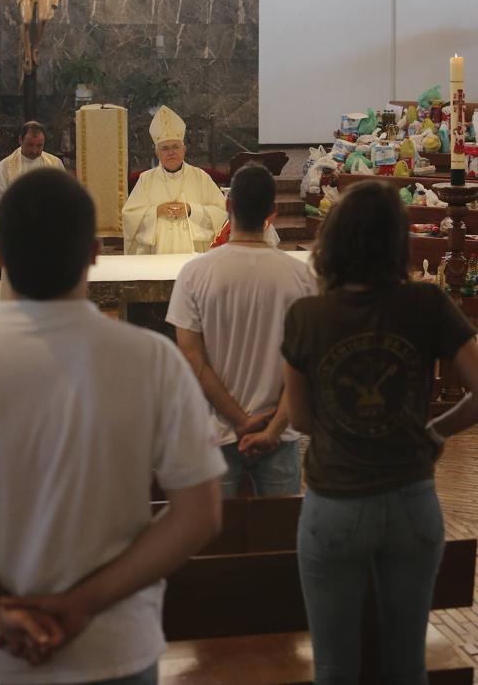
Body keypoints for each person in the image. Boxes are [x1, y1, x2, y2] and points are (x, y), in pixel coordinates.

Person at [0, 169, 225, 684]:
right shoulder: (151, 359)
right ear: (92, 253)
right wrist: (84, 604)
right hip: (112, 645)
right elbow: (199, 514)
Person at [281, 178, 478, 684]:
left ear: (334, 241)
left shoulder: (307, 315)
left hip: (335, 501)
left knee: (335, 666)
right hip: (410, 499)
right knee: (405, 665)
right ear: (399, 242)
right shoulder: (426, 305)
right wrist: (435, 432)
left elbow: (300, 420)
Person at [167, 163, 315, 497]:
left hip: (216, 431)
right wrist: (271, 428)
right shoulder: (301, 276)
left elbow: (192, 358)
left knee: (219, 540)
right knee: (277, 539)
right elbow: (306, 364)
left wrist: (239, 419)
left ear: (228, 206)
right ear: (273, 213)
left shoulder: (194, 273)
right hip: (279, 431)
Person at [122, 106, 226, 254]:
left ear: (184, 150)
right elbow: (130, 216)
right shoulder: (146, 179)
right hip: (157, 250)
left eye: (175, 147)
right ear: (157, 153)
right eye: (165, 148)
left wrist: (191, 210)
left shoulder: (200, 177)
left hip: (196, 250)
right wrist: (156, 211)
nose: (171, 152)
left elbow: (222, 212)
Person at [0, 120, 64, 214]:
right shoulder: (5, 166)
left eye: (39, 145)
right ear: (20, 140)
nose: (34, 150)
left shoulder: (55, 164)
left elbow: (64, 196)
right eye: (30, 145)